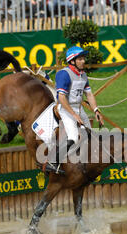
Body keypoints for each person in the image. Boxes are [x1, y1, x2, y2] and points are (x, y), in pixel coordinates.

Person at [46, 46, 104, 174]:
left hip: (78, 107)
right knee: (73, 137)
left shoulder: (83, 75)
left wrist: (96, 110)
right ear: (72, 61)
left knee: (90, 134)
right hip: (65, 108)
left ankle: (81, 163)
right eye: (80, 59)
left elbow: (89, 94)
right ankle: (53, 162)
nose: (83, 61)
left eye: (83, 58)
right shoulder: (64, 74)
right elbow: (61, 97)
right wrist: (74, 115)